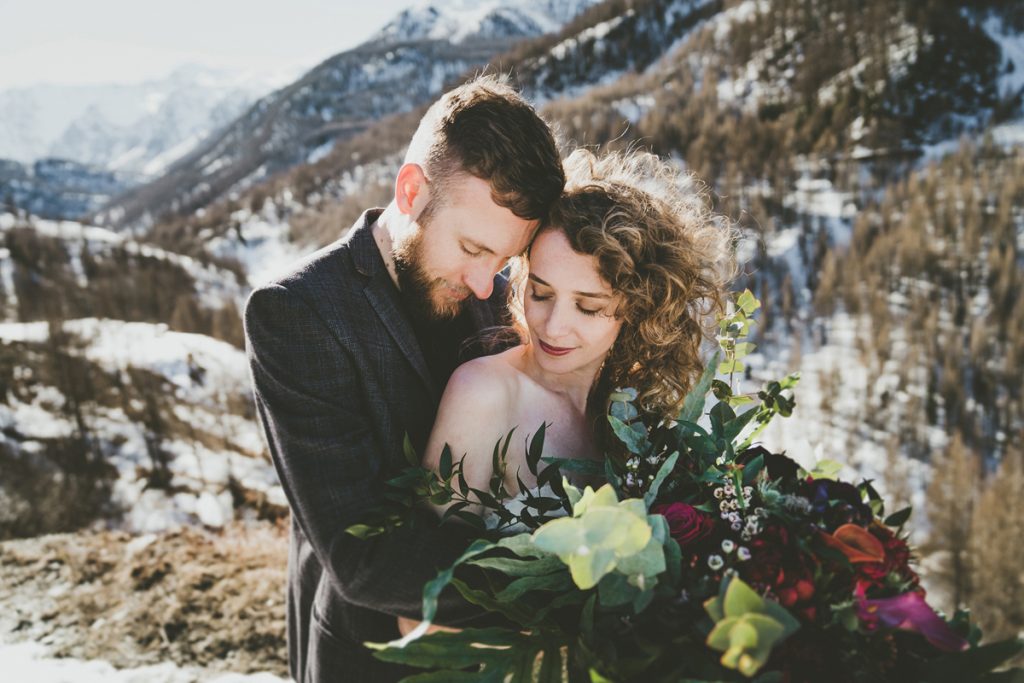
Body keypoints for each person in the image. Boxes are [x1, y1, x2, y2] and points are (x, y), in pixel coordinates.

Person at [243, 74, 565, 683]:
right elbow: (361, 555)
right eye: (473, 248)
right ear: (412, 190)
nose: (486, 284)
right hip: (366, 652)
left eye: (503, 260)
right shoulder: (295, 313)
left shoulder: (497, 294)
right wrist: (558, 586)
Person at [422, 148, 734, 523]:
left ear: (638, 310)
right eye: (541, 293)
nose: (553, 327)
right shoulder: (484, 394)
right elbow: (429, 550)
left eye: (587, 307)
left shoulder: (630, 408)